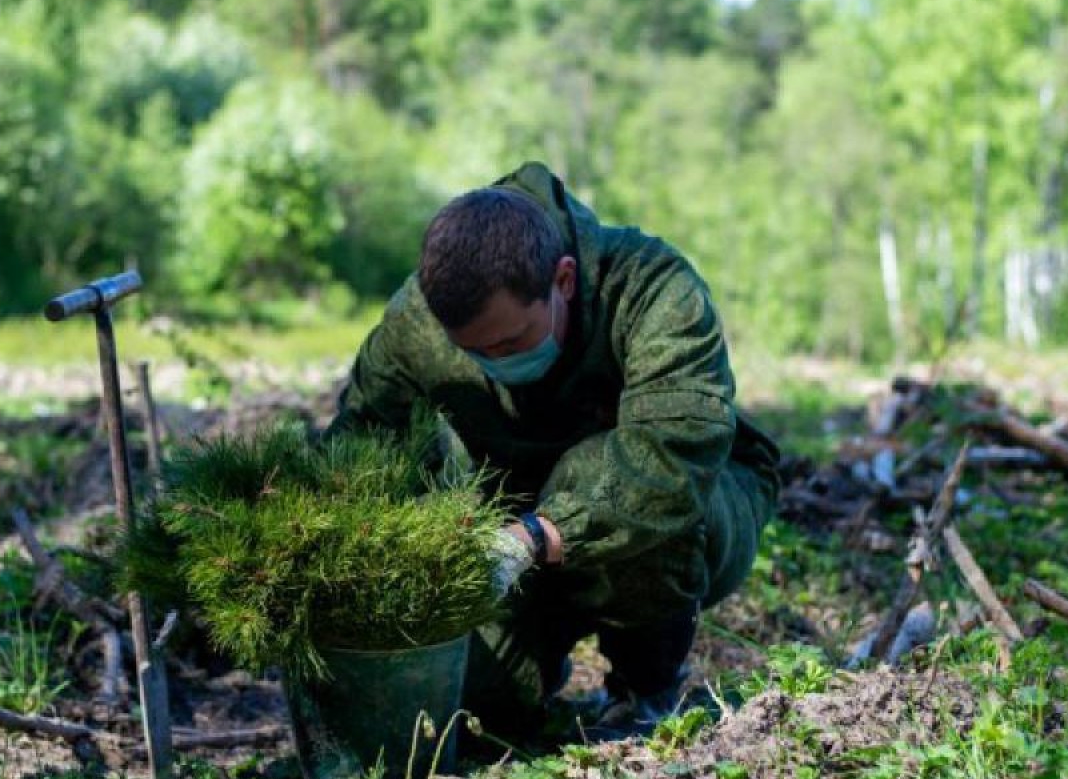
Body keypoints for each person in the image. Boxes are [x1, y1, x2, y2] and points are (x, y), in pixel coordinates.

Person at [325, 161, 780, 742]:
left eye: (510, 341)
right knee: (473, 717)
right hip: (509, 525)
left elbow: (674, 457)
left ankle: (645, 690)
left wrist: (530, 540)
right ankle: (536, 660)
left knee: (610, 477)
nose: (495, 359)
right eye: (474, 351)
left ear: (563, 280)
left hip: (695, 512)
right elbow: (360, 449)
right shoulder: (416, 324)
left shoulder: (651, 287)